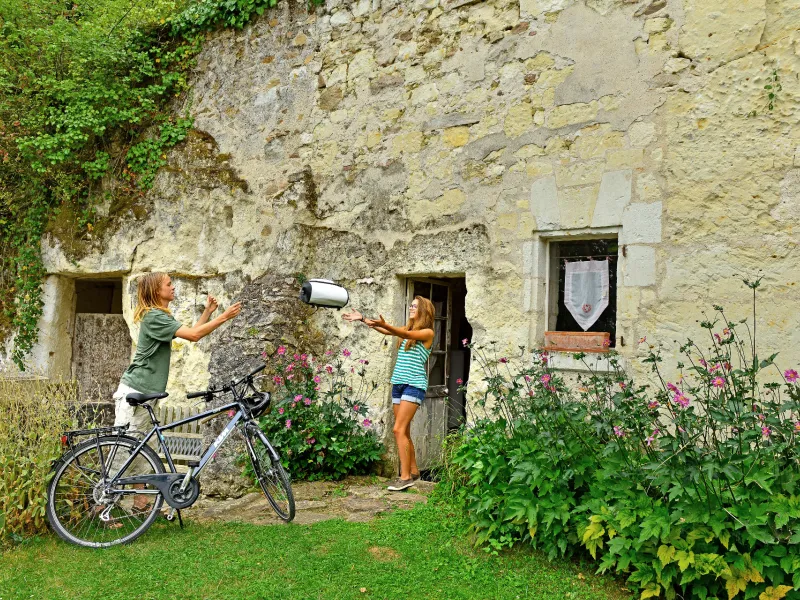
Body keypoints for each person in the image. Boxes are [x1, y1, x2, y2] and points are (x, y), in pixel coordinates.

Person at [343, 296, 435, 491]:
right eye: (410, 305)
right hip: (399, 385)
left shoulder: (427, 333)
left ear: (424, 311)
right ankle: (414, 471)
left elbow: (394, 331)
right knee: (405, 431)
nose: (411, 308)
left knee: (397, 430)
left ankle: (405, 477)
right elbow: (387, 330)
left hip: (414, 385)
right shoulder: (407, 331)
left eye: (415, 306)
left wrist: (387, 326)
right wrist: (363, 319)